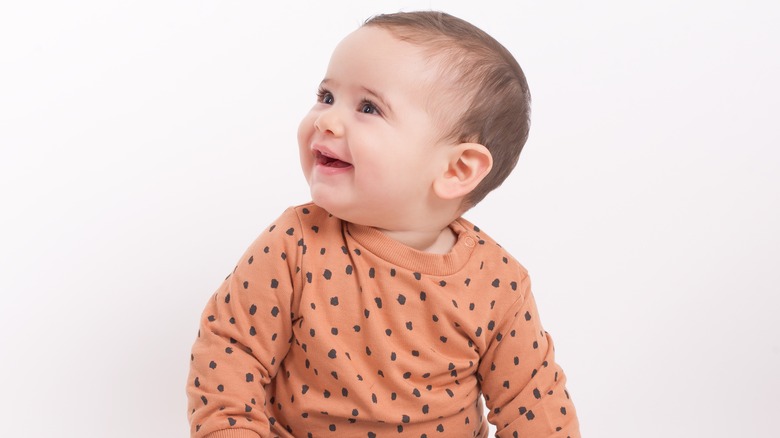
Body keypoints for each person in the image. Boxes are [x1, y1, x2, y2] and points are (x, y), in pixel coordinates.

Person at [187, 11, 580, 438]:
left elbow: (536, 408)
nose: (326, 120)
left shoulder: (499, 285)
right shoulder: (294, 243)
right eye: (326, 95)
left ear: (458, 169)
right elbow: (229, 353)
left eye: (368, 107)